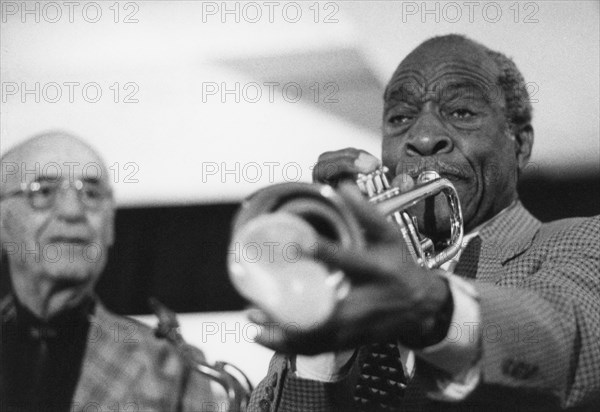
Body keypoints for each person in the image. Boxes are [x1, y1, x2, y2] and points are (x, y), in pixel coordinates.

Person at [246, 34, 600, 411]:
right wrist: (321, 317)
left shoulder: (584, 240)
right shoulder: (348, 285)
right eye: (400, 118)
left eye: (461, 112)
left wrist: (431, 306)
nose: (423, 137)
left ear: (521, 144)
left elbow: (568, 340)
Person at [0, 132, 213, 411]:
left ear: (110, 225)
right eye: (43, 191)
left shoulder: (171, 369)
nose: (72, 210)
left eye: (90, 193)